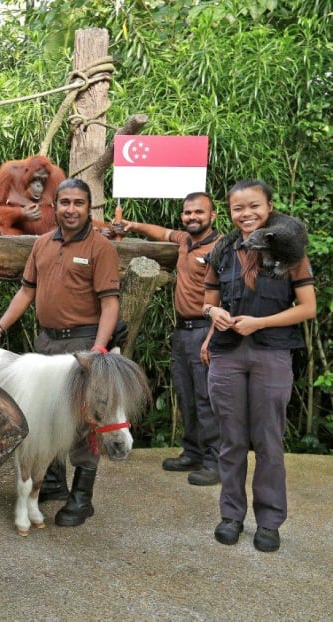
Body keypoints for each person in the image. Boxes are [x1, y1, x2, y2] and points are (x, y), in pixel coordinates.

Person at [0, 178, 121, 527]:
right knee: (46, 416)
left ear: (89, 207)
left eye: (79, 203)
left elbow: (110, 304)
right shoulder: (41, 243)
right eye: (65, 202)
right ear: (56, 205)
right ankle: (52, 483)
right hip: (47, 343)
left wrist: (98, 350)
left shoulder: (100, 248)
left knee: (85, 421)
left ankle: (81, 498)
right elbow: (26, 292)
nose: (71, 209)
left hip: (84, 344)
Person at [204, 179, 315, 553]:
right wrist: (213, 312)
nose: (246, 214)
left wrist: (260, 323)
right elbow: (207, 299)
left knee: (268, 440)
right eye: (238, 208)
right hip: (227, 354)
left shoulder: (290, 250)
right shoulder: (222, 250)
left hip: (271, 354)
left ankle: (269, 522)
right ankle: (231, 516)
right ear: (230, 212)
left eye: (254, 206)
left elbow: (307, 308)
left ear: (269, 207)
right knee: (231, 440)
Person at [115, 193, 221, 486]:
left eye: (199, 212)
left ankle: (215, 461)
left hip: (206, 329)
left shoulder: (221, 247)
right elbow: (162, 233)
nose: (192, 217)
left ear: (212, 216)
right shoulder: (186, 241)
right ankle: (193, 453)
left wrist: (212, 338)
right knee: (187, 395)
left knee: (207, 398)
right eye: (187, 212)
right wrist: (133, 225)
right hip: (183, 331)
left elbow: (227, 297)